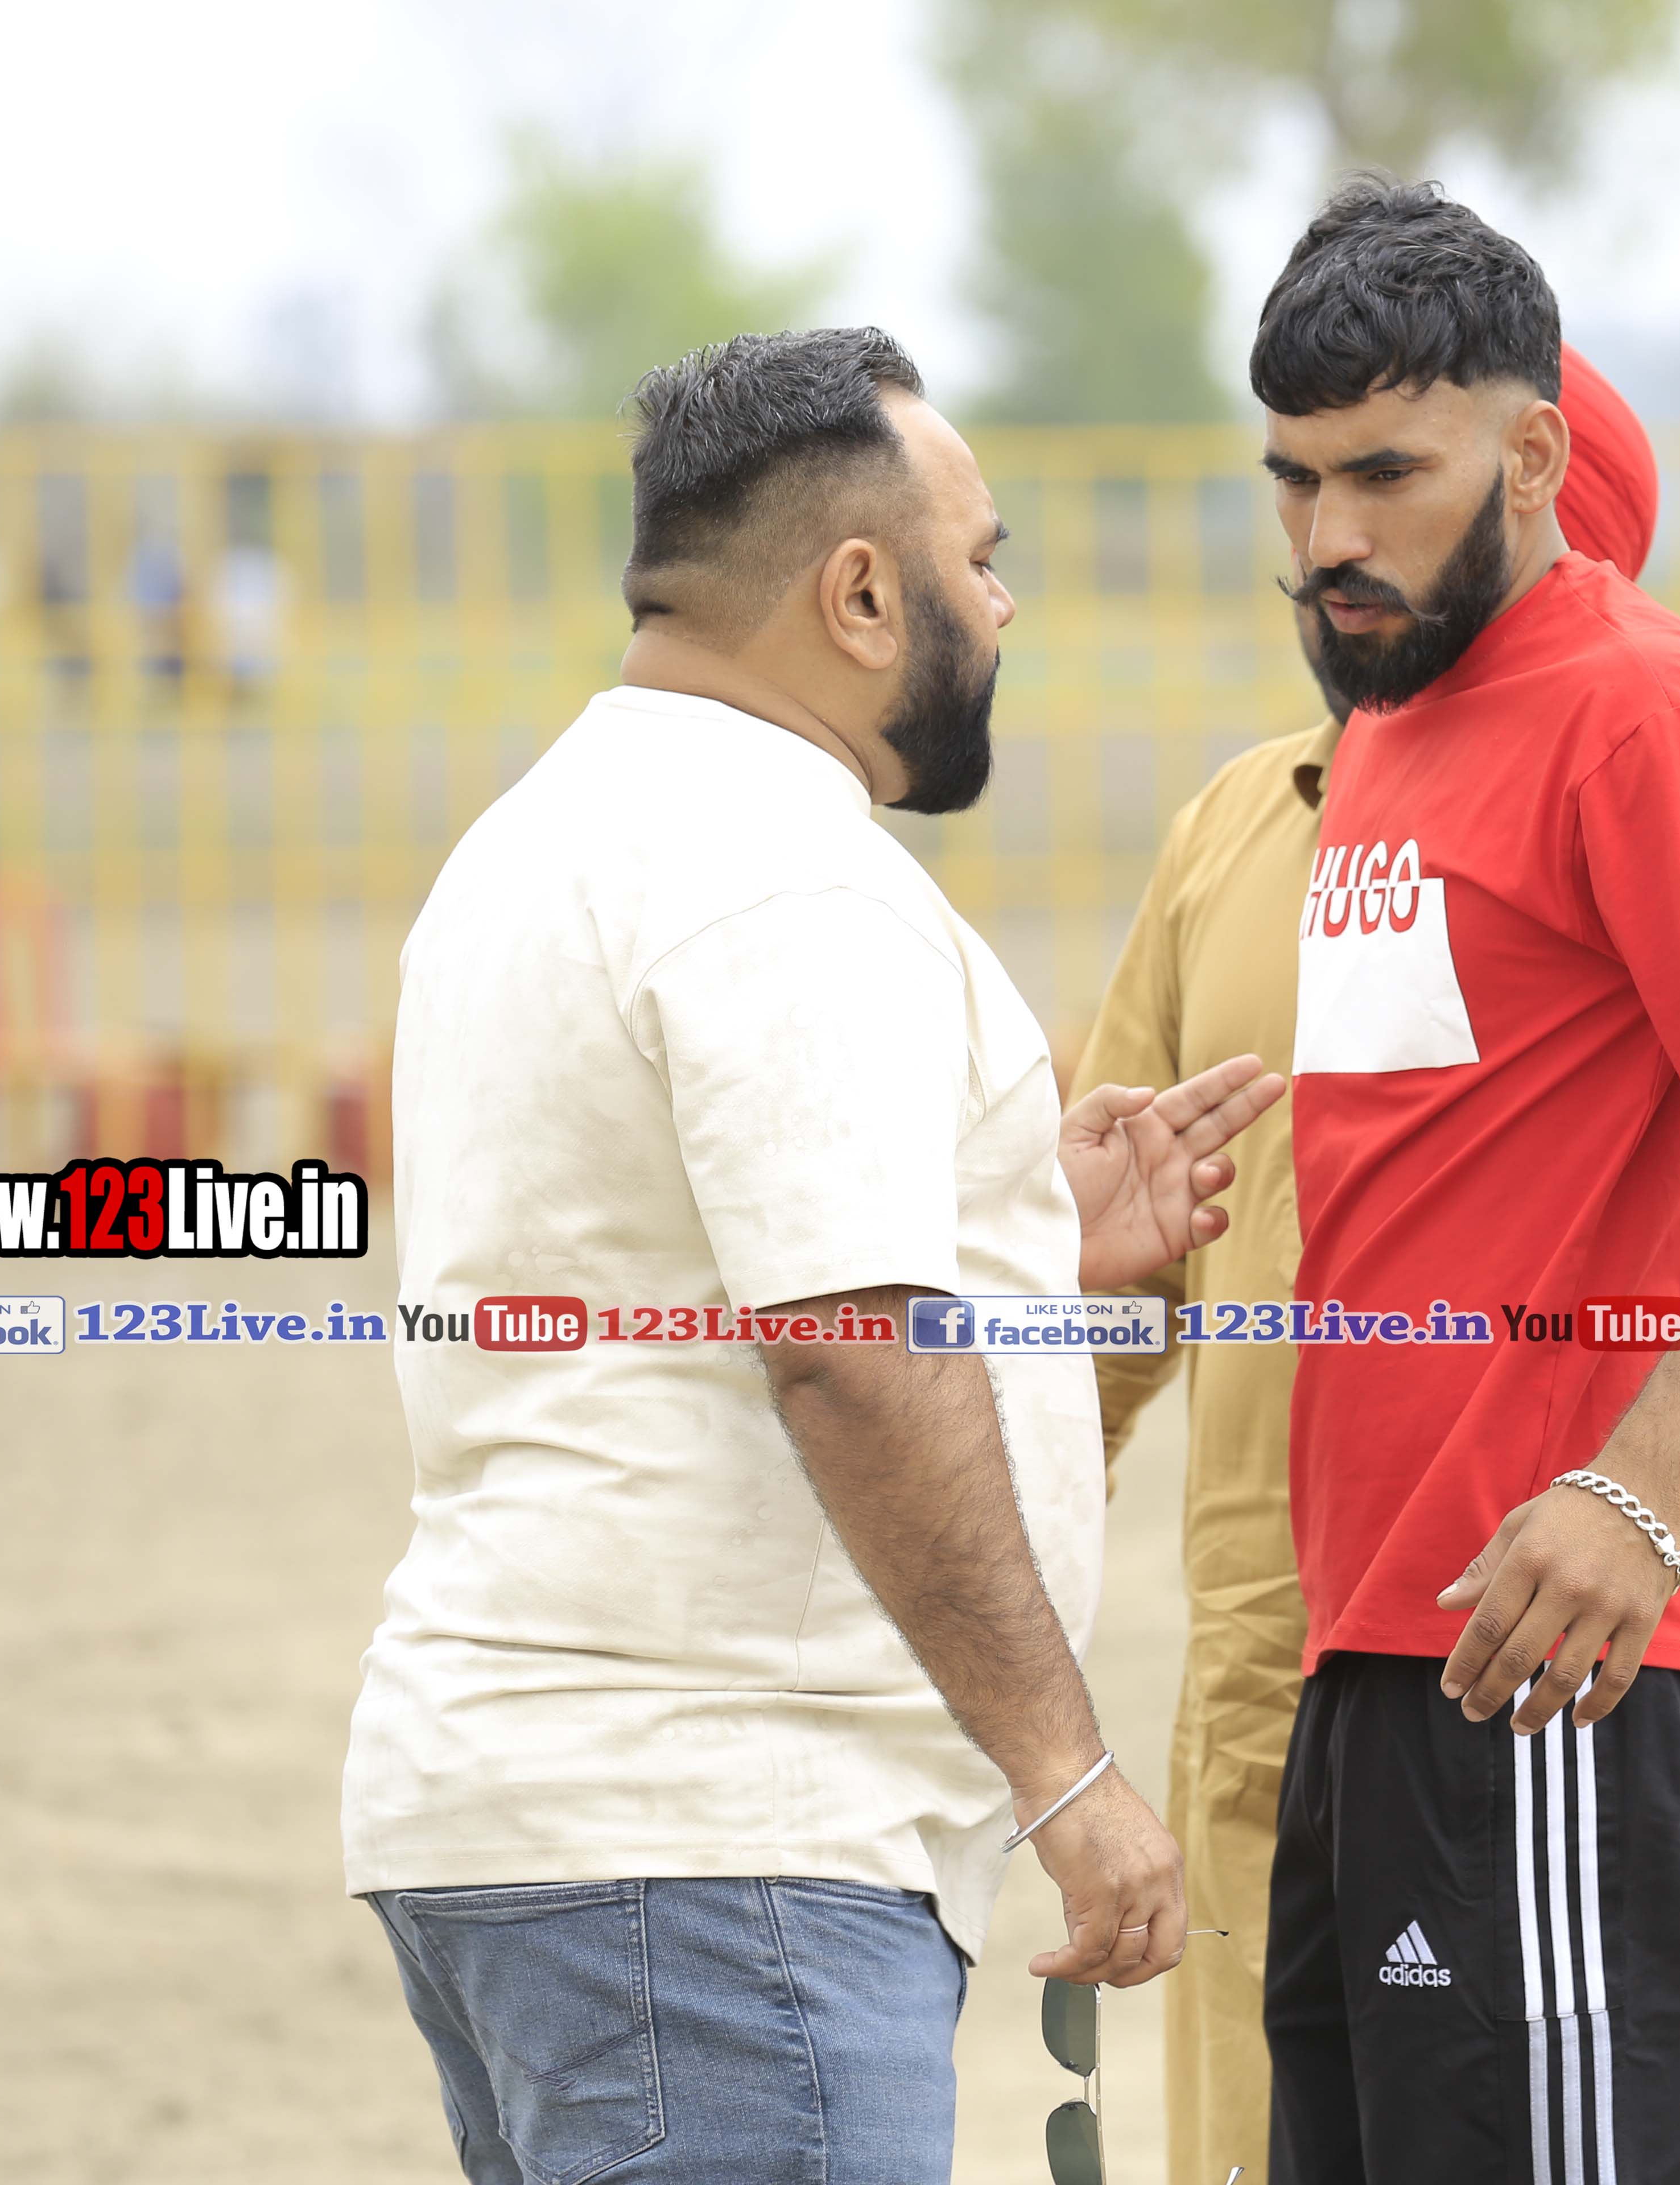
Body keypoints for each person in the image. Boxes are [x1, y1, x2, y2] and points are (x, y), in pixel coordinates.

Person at [341, 326, 1282, 2185]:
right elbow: (850, 1352)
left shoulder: (536, 844)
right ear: (860, 594)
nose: (1003, 608)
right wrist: (1070, 1776)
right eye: (980, 560)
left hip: (537, 1829)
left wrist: (1016, 1251)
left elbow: (672, 1273)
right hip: (722, 1860)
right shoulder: (786, 878)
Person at [1077, 347, 1680, 2185]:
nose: (1333, 544)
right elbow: (1114, 1278)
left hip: (1558, 1652)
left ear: (1536, 506)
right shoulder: (1244, 836)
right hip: (1303, 1670)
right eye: (1303, 487)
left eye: (1389, 485)